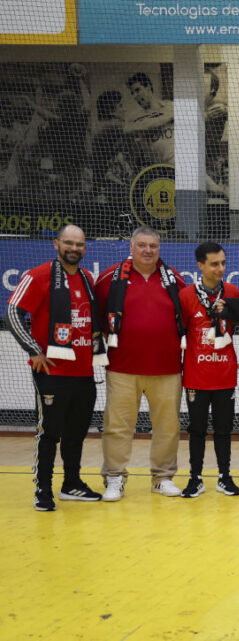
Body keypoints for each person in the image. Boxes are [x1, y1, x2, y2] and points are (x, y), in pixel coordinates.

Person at [7, 224, 106, 510]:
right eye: (68, 243)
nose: (74, 248)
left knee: (76, 432)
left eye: (79, 244)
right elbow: (13, 311)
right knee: (49, 432)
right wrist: (34, 350)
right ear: (56, 244)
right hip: (52, 373)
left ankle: (71, 484)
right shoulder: (38, 276)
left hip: (84, 373)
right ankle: (43, 489)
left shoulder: (87, 278)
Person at [96, 226, 187, 500]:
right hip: (122, 367)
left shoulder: (175, 280)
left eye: (153, 246)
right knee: (117, 426)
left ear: (159, 249)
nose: (148, 250)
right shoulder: (109, 278)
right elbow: (98, 318)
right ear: (132, 247)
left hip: (168, 368)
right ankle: (114, 478)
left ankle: (162, 478)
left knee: (168, 427)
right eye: (142, 245)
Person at [177, 242, 239, 498]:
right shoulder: (185, 296)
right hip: (196, 375)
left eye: (223, 263)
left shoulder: (234, 291)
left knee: (224, 429)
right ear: (200, 265)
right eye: (214, 264)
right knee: (197, 429)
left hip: (225, 374)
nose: (220, 268)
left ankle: (225, 477)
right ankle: (195, 478)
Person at [122, 72, 174, 165]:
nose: (135, 96)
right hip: (157, 167)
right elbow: (126, 129)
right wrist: (169, 117)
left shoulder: (170, 106)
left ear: (148, 87)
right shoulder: (134, 117)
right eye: (132, 93)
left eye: (138, 90)